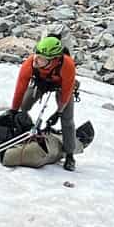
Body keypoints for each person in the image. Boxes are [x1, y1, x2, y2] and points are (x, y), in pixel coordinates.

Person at [11, 34, 80, 171]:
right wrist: (14, 111)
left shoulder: (67, 65)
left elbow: (66, 92)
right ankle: (21, 135)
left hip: (61, 86)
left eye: (41, 59)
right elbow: (20, 89)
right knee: (23, 106)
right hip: (40, 83)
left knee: (67, 120)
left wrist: (58, 112)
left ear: (54, 60)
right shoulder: (30, 64)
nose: (36, 60)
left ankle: (70, 155)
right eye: (36, 55)